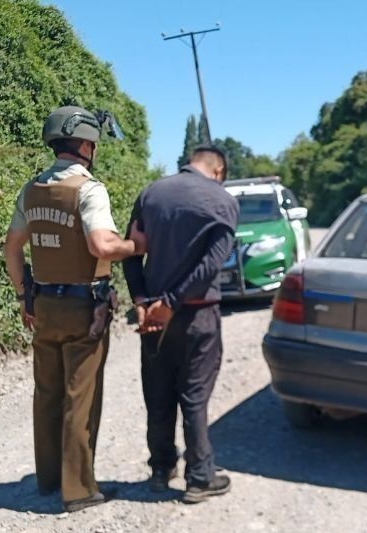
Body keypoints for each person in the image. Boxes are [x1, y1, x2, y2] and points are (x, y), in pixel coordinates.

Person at [2, 105, 146, 513]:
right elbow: (102, 246)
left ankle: (48, 479)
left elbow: (12, 247)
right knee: (79, 397)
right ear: (85, 144)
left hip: (43, 305)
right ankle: (79, 489)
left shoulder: (30, 190)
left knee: (46, 393)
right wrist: (138, 246)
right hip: (85, 307)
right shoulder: (88, 189)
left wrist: (21, 296)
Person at [122, 145, 239, 504]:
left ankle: (160, 469)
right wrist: (173, 302)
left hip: (153, 315)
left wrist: (142, 300)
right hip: (196, 314)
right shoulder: (221, 200)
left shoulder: (152, 192)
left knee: (158, 396)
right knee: (194, 396)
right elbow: (212, 265)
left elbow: (131, 250)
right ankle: (200, 477)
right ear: (218, 170)